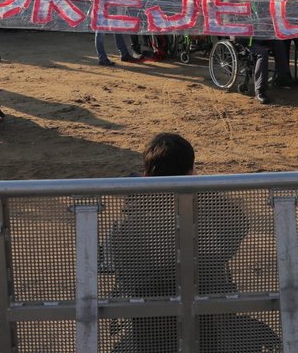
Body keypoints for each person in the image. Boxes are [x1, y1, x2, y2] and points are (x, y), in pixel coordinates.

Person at [101, 134, 277, 353]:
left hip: (149, 333)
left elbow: (105, 262)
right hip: (210, 328)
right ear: (192, 171)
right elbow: (237, 226)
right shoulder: (211, 211)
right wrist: (196, 187)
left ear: (146, 174)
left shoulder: (130, 223)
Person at [232, 0, 271, 104]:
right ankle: (260, 90)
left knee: (279, 42)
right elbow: (232, 22)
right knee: (262, 53)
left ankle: (283, 76)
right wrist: (254, 25)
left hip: (256, 33)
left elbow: (259, 12)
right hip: (243, 38)